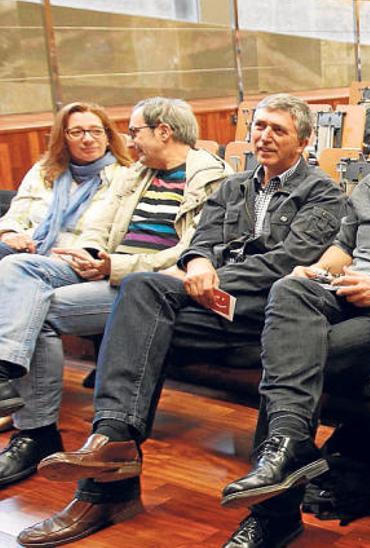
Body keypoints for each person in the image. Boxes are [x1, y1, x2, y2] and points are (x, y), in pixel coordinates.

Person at [19, 94, 346, 547]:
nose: (265, 136)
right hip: (210, 304)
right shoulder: (234, 187)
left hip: (269, 311)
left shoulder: (323, 194)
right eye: (260, 126)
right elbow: (204, 239)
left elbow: (286, 262)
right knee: (140, 290)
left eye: (279, 130)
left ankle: (274, 515)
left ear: (305, 141)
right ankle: (112, 450)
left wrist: (214, 276)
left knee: (277, 336)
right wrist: (196, 264)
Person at [213, 96, 370, 546]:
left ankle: (272, 513)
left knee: (295, 359)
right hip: (352, 291)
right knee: (288, 289)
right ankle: (289, 445)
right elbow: (343, 247)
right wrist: (317, 269)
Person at [0, 98, 226, 490]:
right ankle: (4, 373)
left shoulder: (211, 177)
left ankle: (36, 433)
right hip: (107, 269)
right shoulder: (136, 173)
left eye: (135, 131)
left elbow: (194, 249)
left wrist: (113, 267)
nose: (129, 141)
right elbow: (99, 227)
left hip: (150, 285)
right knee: (16, 268)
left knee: (42, 312)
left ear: (163, 131)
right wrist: (89, 254)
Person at [0, 102, 133, 260]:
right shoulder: (43, 170)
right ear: (63, 138)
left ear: (108, 137)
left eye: (96, 131)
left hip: (73, 262)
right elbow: (14, 217)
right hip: (30, 250)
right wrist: (10, 234)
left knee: (14, 264)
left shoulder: (126, 178)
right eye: (77, 132)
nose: (88, 139)